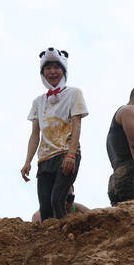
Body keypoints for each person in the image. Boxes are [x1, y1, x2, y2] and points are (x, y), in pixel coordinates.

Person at [22, 48, 88, 221]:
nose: (52, 72)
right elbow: (35, 134)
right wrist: (28, 161)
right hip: (44, 159)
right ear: (43, 72)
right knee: (45, 208)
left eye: (56, 67)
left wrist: (71, 154)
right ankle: (50, 244)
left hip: (65, 154)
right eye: (48, 68)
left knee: (57, 200)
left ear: (63, 70)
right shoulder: (38, 102)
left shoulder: (74, 93)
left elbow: (77, 125)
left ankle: (65, 239)